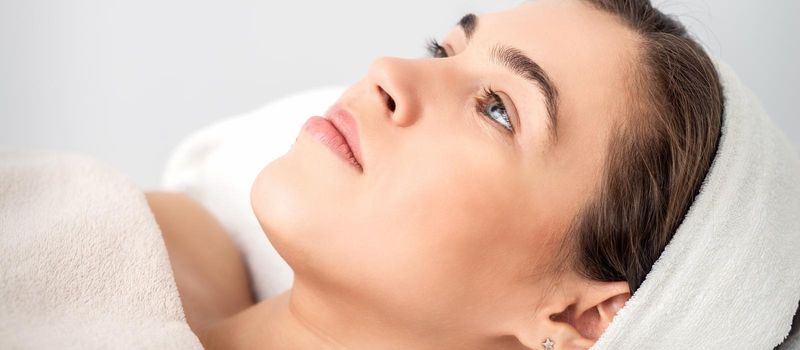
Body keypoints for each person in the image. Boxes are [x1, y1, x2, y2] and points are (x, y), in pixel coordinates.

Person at [146, 0, 724, 348]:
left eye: (498, 109)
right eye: (444, 52)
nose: (389, 71)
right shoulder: (158, 246)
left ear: (580, 315)